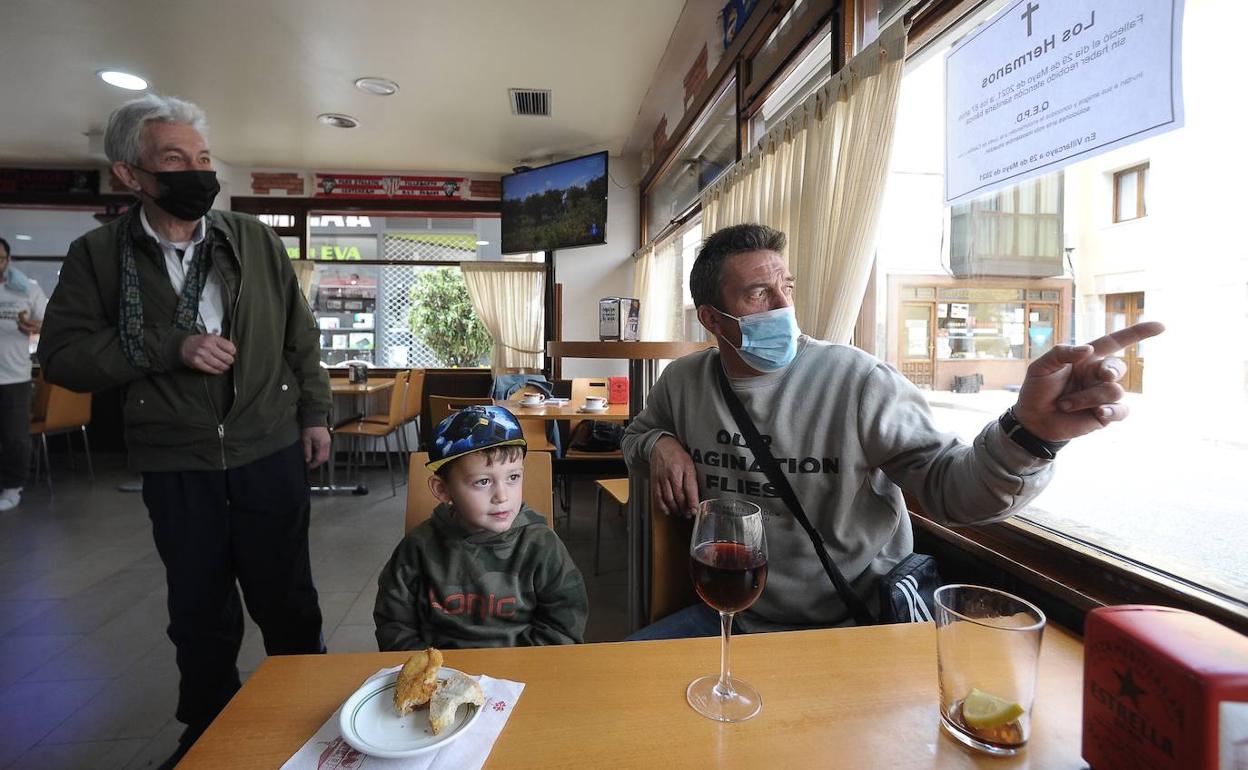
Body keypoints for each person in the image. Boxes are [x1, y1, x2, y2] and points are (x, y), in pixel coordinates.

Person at [622, 223, 1164, 639]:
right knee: (621, 697)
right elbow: (636, 434)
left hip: (851, 629)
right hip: (728, 619)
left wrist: (1032, 434)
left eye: (785, 285)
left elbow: (953, 490)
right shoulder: (685, 382)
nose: (785, 307)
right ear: (712, 320)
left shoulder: (857, 381)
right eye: (758, 294)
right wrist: (659, 444)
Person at [36, 93, 332, 768]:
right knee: (199, 609)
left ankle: (314, 728)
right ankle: (208, 736)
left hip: (268, 443)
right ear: (129, 175)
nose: (196, 171)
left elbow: (298, 332)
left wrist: (314, 412)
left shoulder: (251, 237)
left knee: (289, 598)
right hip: (177, 459)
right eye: (174, 159)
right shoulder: (98, 255)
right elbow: (63, 357)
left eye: (203, 158)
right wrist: (169, 347)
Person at [374, 406, 587, 650]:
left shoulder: (541, 545)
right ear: (443, 490)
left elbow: (565, 624)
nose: (502, 496)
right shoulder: (418, 548)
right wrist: (427, 668)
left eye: (513, 477)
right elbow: (393, 622)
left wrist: (524, 665)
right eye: (483, 482)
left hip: (522, 673)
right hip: (440, 678)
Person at [0, 236, 48, 511]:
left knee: (14, 436)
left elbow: (46, 322)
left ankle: (13, 487)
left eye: (1, 258)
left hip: (13, 375)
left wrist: (34, 327)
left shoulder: (25, 289)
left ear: (8, 259)